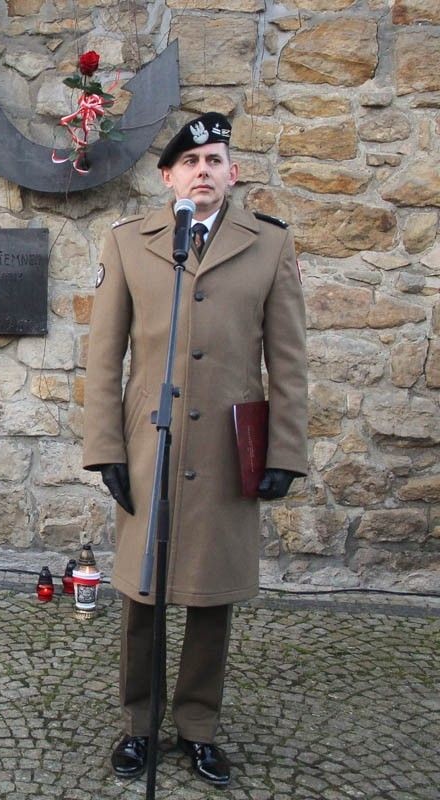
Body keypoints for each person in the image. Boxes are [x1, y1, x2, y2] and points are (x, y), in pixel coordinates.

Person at [82, 112, 308, 787]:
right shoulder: (131, 244)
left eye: (214, 160)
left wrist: (284, 453)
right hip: (152, 441)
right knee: (142, 591)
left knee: (212, 594)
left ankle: (199, 727)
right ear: (168, 177)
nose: (203, 171)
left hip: (226, 445)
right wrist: (105, 448)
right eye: (190, 162)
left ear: (232, 173)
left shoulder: (268, 245)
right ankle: (139, 723)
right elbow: (104, 358)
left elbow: (288, 361)